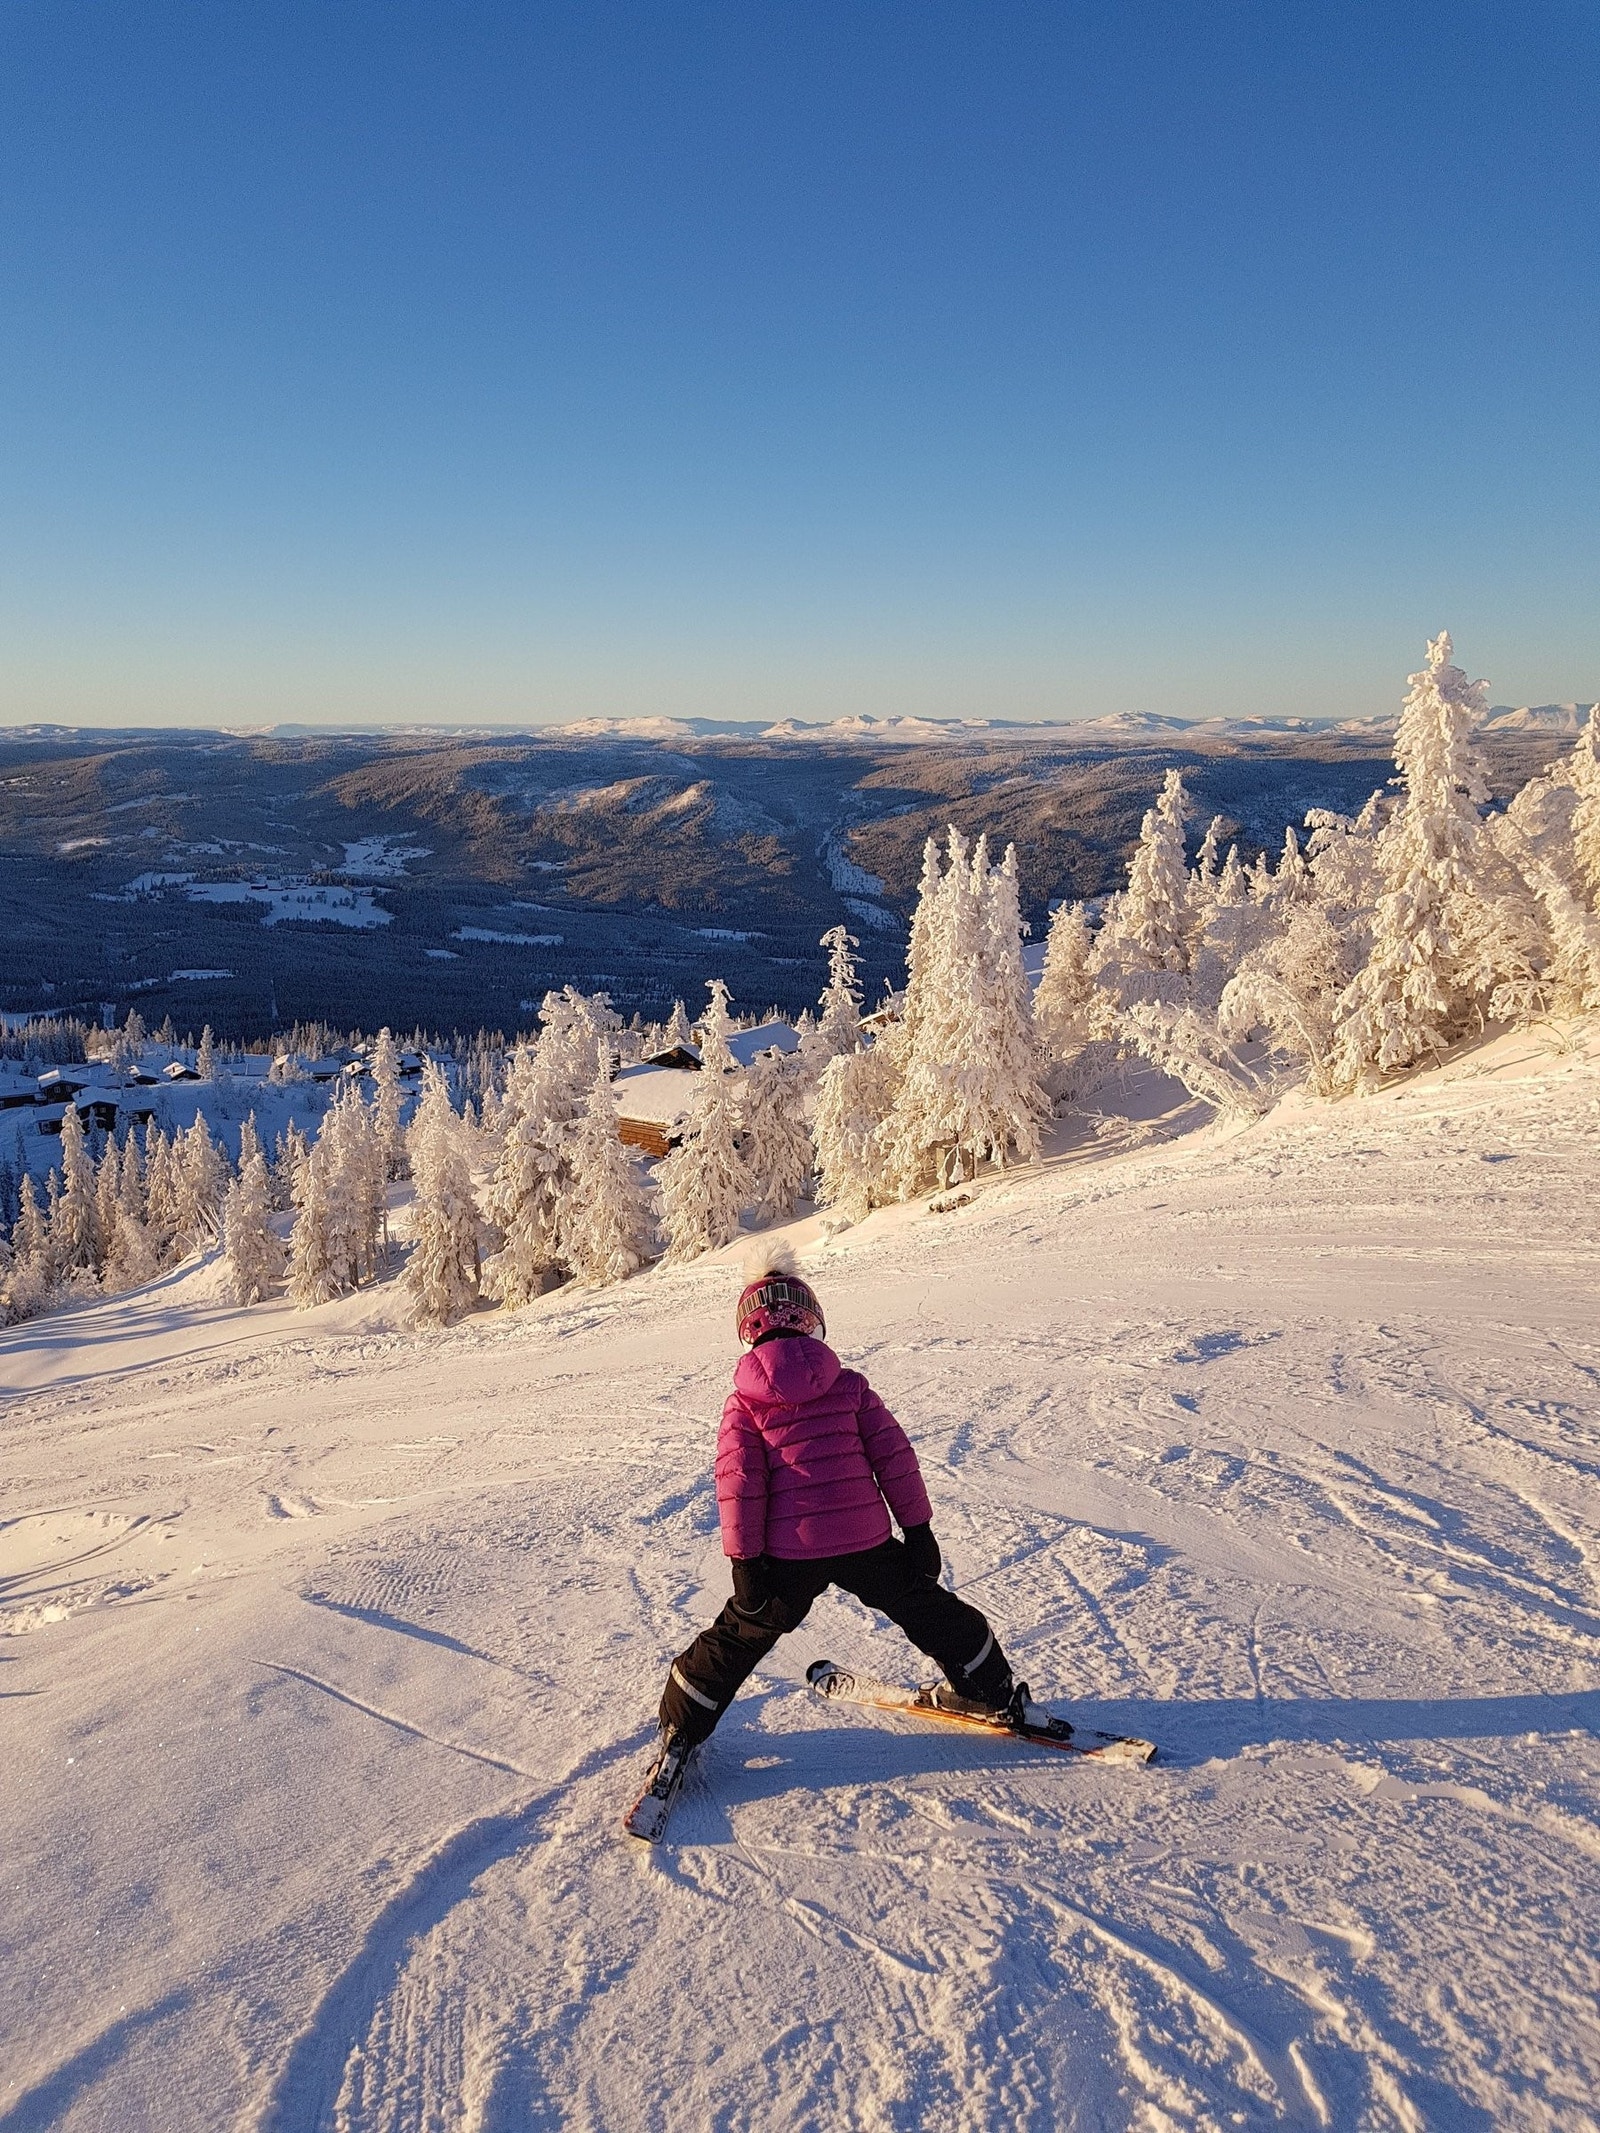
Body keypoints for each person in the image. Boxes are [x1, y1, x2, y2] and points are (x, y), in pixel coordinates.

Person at [656, 1247, 1018, 1753]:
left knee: (742, 1632)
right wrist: (918, 1530)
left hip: (788, 1555)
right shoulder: (849, 1386)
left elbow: (739, 1485)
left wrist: (746, 1564)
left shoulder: (744, 1403)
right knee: (925, 1607)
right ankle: (992, 1690)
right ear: (813, 1323)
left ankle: (682, 1721)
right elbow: (895, 1458)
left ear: (749, 1332)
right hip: (865, 1541)